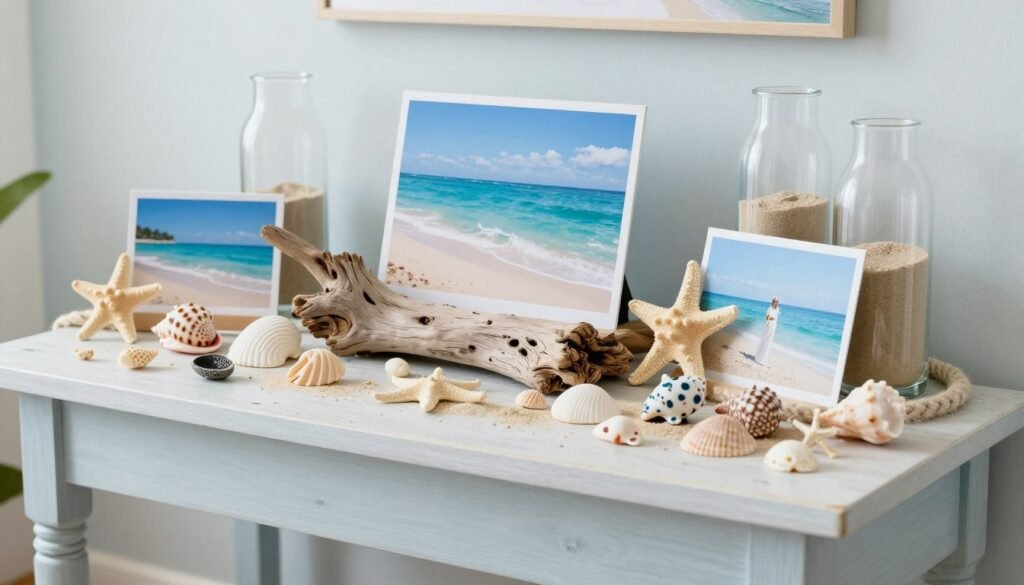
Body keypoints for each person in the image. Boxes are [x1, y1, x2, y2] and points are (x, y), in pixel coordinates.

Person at [754, 296, 780, 365]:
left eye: (777, 301)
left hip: (773, 327)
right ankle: (758, 358)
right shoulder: (769, 309)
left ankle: (763, 359)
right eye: (774, 301)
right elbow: (766, 317)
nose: (776, 302)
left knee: (768, 343)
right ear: (772, 301)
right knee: (764, 341)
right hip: (768, 326)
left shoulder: (777, 309)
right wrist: (771, 318)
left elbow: (776, 317)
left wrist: (773, 319)